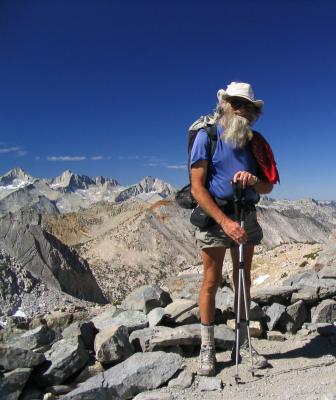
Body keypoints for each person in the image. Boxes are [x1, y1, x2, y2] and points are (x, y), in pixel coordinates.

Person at [190, 81, 279, 376]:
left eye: (248, 106)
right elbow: (197, 189)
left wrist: (253, 181)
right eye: (237, 103)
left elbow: (267, 185)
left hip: (246, 215)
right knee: (211, 281)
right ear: (224, 104)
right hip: (217, 218)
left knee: (243, 279)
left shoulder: (255, 142)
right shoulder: (207, 136)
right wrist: (225, 222)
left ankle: (243, 344)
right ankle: (208, 348)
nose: (242, 110)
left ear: (253, 112)